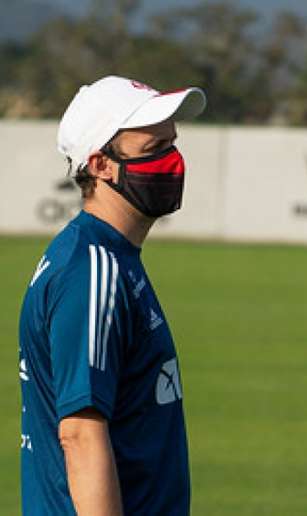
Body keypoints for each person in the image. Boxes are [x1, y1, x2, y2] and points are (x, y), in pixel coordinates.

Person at [18, 75, 206, 515]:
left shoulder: (108, 257)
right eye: (153, 150)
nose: (172, 162)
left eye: (172, 145)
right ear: (101, 164)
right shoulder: (91, 270)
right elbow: (80, 435)